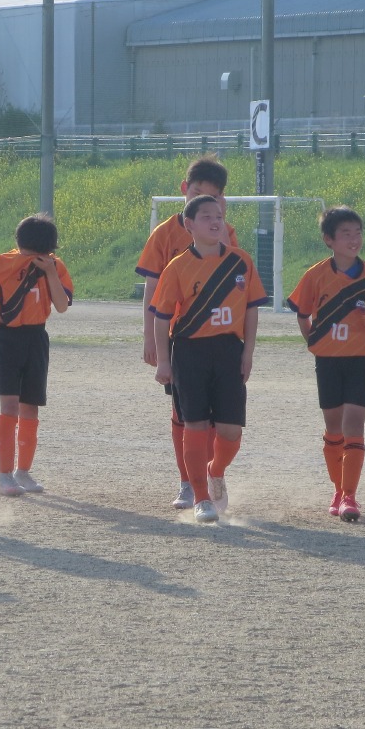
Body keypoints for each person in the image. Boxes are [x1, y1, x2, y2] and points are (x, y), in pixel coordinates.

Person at [152, 194, 266, 523]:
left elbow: (252, 309)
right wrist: (163, 361)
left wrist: (247, 352)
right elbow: (161, 316)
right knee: (195, 424)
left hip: (229, 350)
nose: (215, 221)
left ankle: (215, 471)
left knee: (231, 430)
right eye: (206, 216)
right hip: (190, 351)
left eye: (218, 215)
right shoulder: (177, 266)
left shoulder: (241, 261)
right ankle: (201, 497)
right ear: (189, 225)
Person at [136, 154, 239, 510]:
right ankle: (187, 483)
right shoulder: (164, 234)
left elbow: (236, 277)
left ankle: (210, 475)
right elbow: (152, 289)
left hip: (218, 338)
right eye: (196, 193)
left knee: (214, 416)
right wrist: (151, 338)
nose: (204, 202)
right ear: (184, 189)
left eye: (213, 197)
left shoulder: (224, 231)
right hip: (179, 338)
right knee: (185, 413)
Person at [287, 206, 365, 523]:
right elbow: (302, 313)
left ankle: (349, 497)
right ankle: (338, 489)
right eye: (345, 234)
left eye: (358, 233)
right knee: (333, 428)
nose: (354, 239)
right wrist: (314, 341)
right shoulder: (315, 275)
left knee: (354, 425)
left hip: (361, 362)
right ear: (329, 239)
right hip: (328, 361)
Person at [0, 214, 73, 497]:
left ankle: (23, 472)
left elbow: (62, 305)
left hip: (37, 337)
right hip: (7, 339)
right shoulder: (4, 263)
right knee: (9, 406)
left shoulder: (56, 266)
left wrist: (50, 272)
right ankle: (4, 474)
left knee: (31, 406)